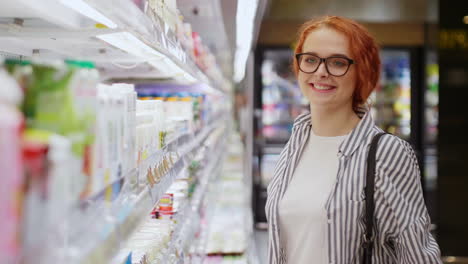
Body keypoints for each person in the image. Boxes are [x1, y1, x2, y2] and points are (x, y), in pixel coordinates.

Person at [265, 16, 442, 264]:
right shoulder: (294, 145)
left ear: (362, 72)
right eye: (310, 60)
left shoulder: (386, 153)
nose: (321, 71)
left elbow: (416, 255)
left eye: (338, 62)